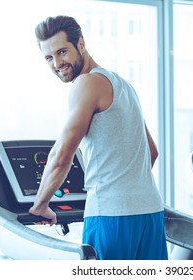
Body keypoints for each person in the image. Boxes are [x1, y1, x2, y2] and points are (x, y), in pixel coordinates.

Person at [28, 15, 168, 260]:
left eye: (62, 51)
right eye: (49, 57)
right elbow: (151, 152)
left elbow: (62, 155)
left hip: (110, 216)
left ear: (81, 43)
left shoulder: (87, 83)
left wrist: (40, 205)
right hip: (150, 212)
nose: (57, 63)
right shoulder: (123, 85)